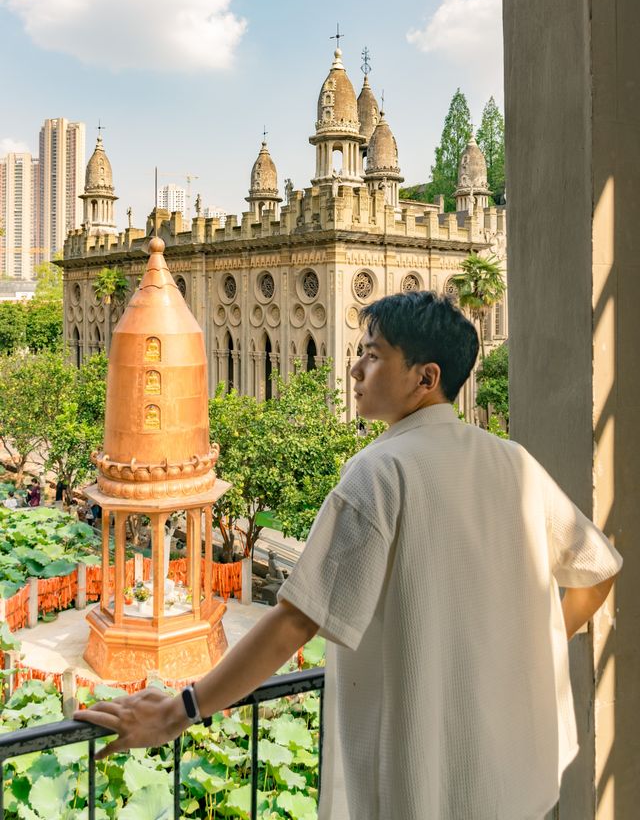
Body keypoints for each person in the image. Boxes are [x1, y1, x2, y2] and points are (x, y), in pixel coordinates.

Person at [75, 292, 622, 820]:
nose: (356, 369)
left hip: (423, 791)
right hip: (518, 783)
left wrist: (178, 712)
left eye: (374, 355)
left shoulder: (381, 472)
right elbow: (598, 574)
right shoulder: (513, 461)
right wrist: (537, 640)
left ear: (425, 378)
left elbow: (294, 622)